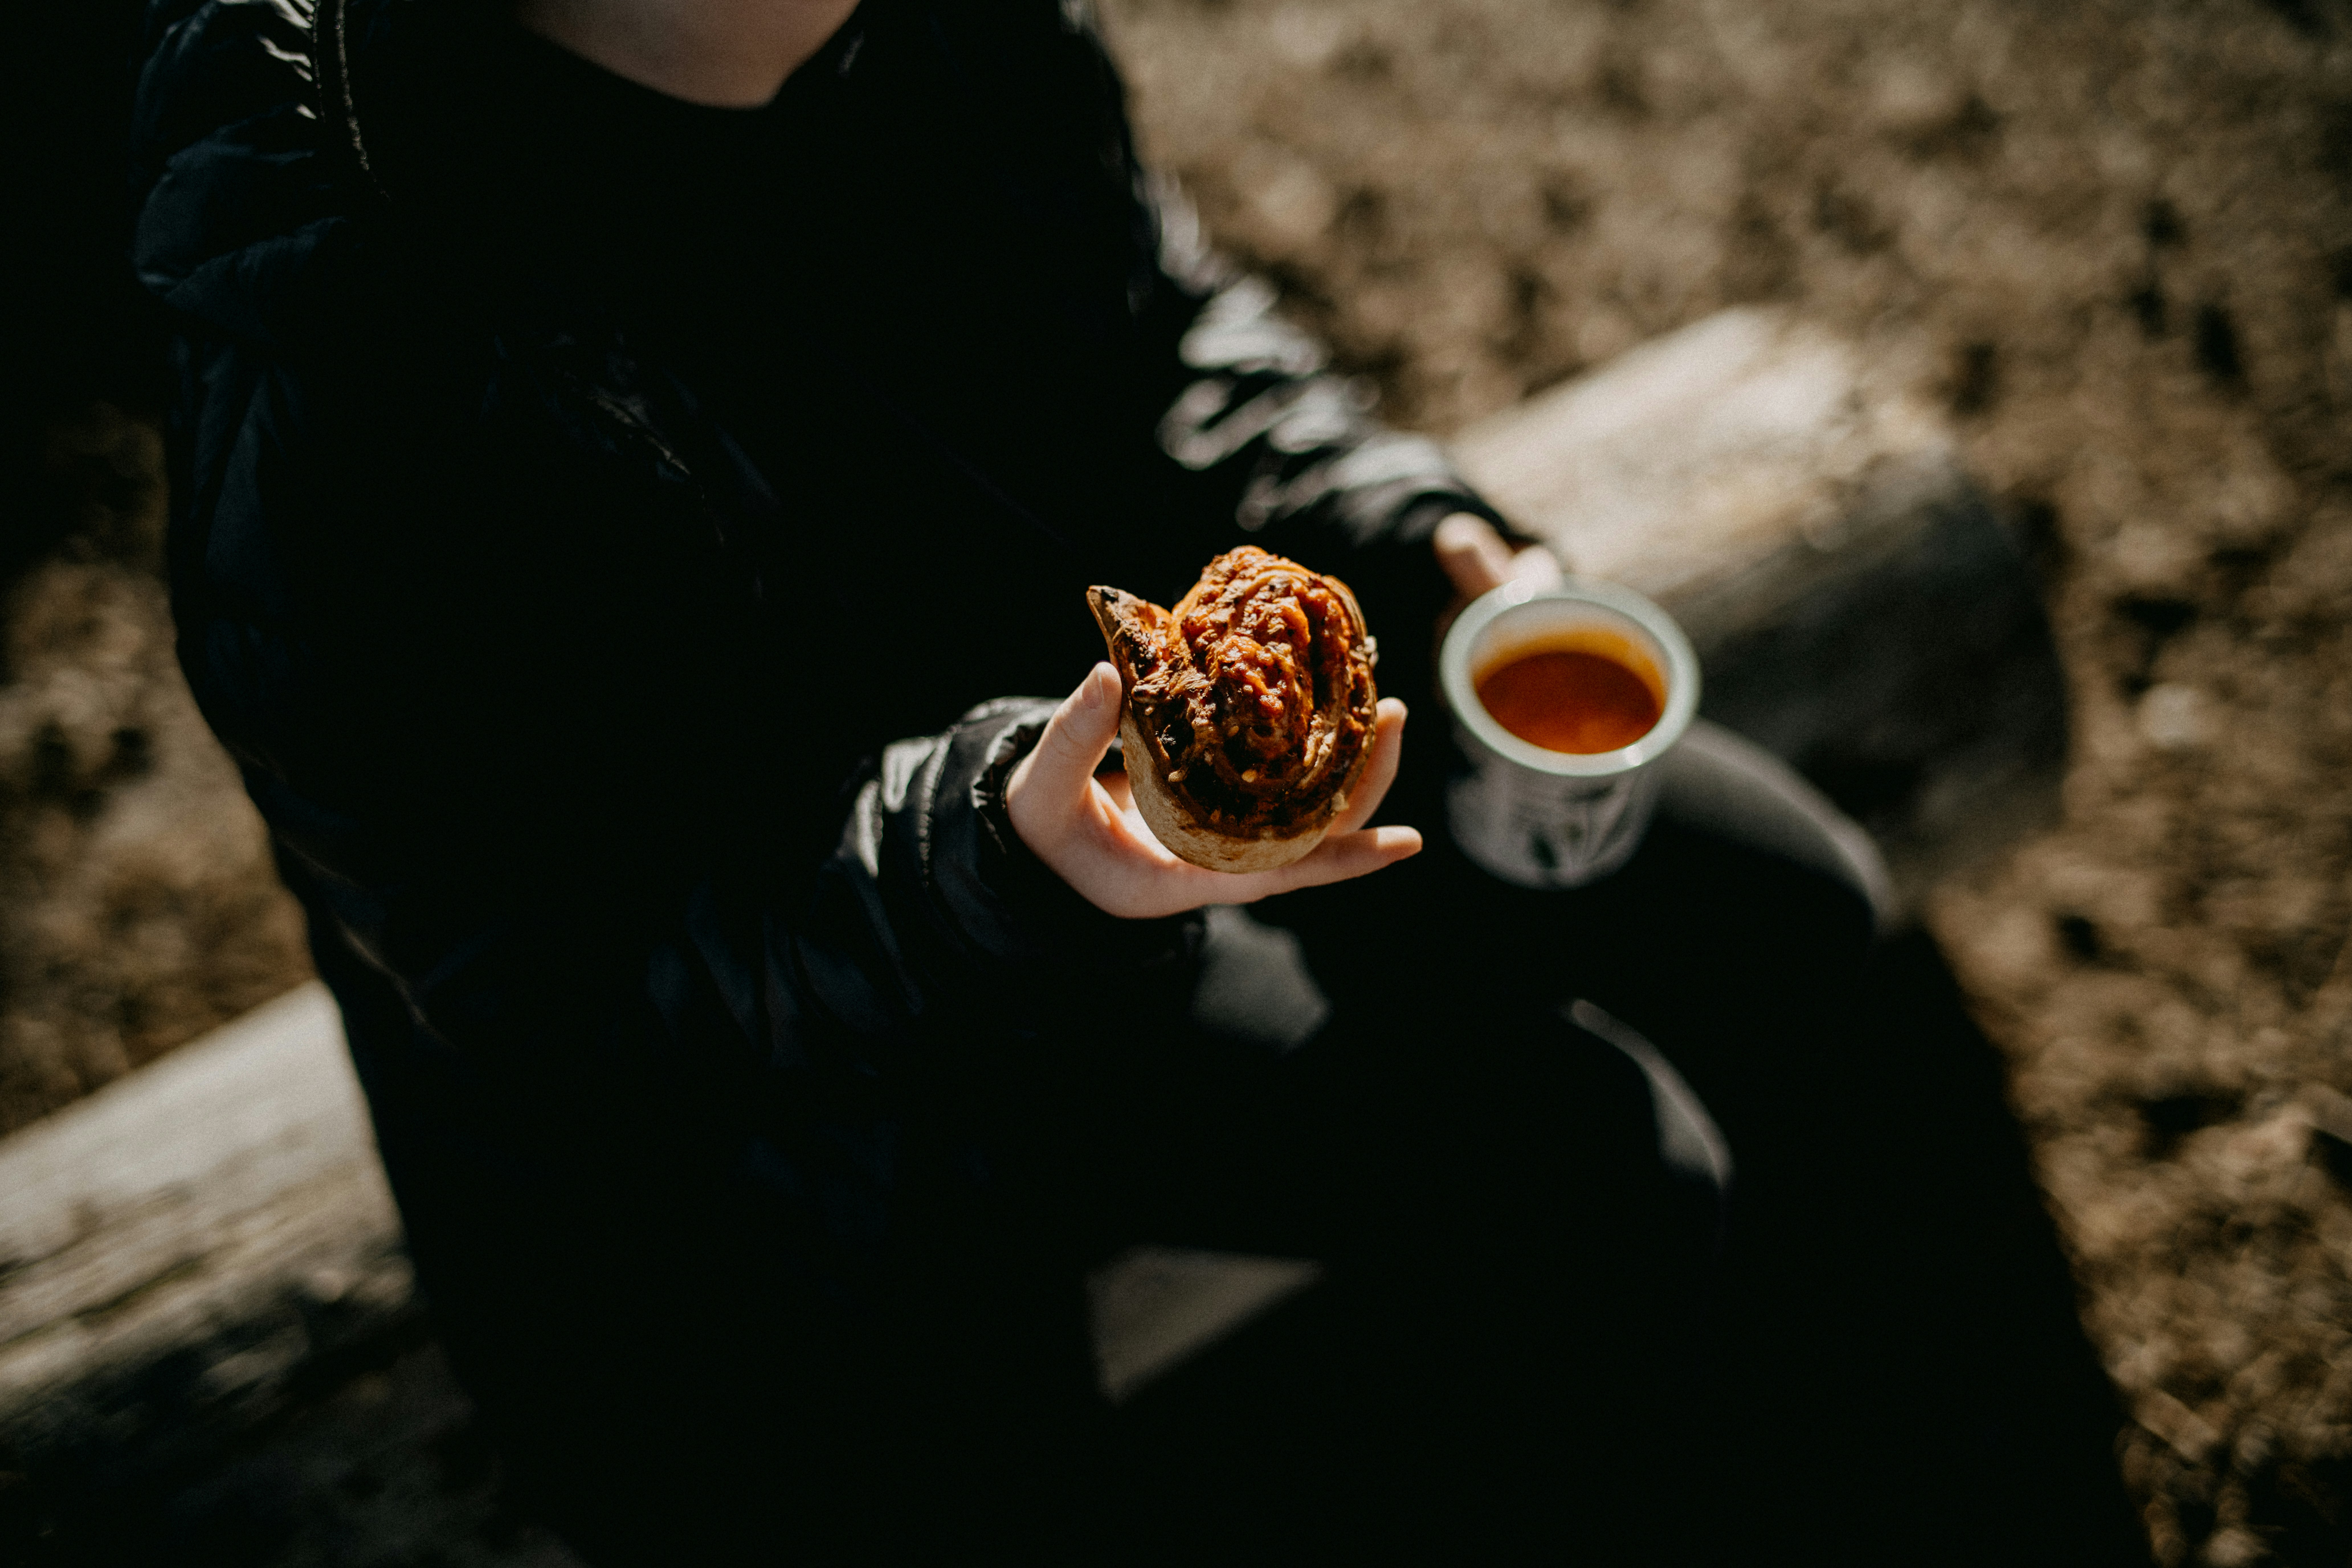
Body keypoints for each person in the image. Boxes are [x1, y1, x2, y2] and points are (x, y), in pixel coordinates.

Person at [129, 0, 2149, 1561]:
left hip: (1123, 803)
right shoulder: (346, 339)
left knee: (1789, 905)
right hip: (776, 1121)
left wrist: (1394, 520)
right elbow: (539, 968)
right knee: (1601, 1182)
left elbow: (1154, 315)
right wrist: (982, 862)